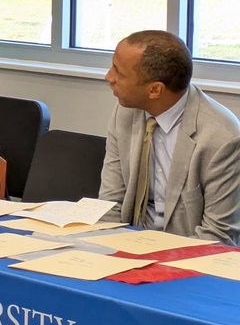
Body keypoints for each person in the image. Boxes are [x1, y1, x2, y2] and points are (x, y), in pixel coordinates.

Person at [98, 30, 240, 243]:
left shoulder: (221, 138)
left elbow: (218, 236)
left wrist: (158, 258)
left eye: (119, 72)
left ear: (155, 90)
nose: (109, 77)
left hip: (187, 252)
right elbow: (110, 203)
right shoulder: (125, 111)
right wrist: (111, 247)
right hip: (128, 245)